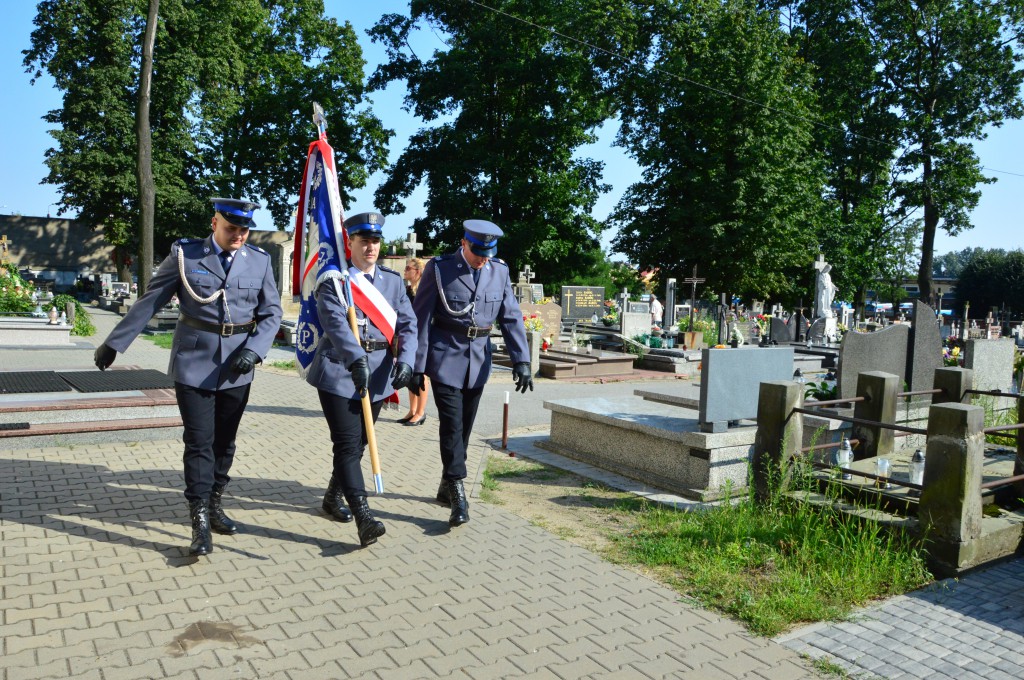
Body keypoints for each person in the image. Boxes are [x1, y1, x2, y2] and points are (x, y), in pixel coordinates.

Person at [93, 198, 283, 557]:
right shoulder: (185, 255)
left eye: (244, 230)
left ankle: (214, 504)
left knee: (225, 443)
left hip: (238, 367)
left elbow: (271, 314)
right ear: (214, 222)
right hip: (194, 362)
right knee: (199, 441)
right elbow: (150, 300)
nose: (238, 236)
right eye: (231, 229)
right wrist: (114, 343)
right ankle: (198, 520)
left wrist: (254, 350)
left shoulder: (258, 261)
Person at [304, 212, 417, 547]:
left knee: (360, 442)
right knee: (347, 444)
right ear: (349, 242)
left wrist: (407, 361)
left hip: (380, 372)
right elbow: (336, 325)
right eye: (364, 240)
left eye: (376, 240)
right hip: (339, 370)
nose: (371, 247)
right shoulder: (334, 281)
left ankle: (331, 496)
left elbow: (407, 324)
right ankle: (364, 516)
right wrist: (355, 359)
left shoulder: (393, 282)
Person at [411, 219, 532, 527]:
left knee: (464, 427)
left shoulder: (499, 271)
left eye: (489, 252)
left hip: (478, 360)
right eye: (478, 251)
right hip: (444, 358)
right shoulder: (439, 269)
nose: (483, 258)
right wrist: (416, 366)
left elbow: (511, 317)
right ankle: (458, 492)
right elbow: (421, 319)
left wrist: (522, 360)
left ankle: (445, 485)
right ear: (464, 243)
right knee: (451, 426)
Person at [399, 257, 430, 426]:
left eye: (408, 268)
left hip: (421, 336)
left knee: (421, 373)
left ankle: (421, 412)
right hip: (408, 336)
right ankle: (412, 410)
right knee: (410, 372)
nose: (405, 270)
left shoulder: (424, 291)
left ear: (417, 272)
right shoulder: (407, 290)